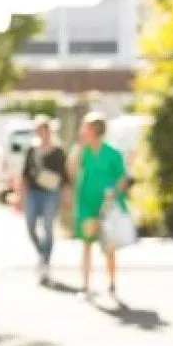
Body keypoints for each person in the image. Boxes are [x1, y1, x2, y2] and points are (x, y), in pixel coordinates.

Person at [68, 111, 127, 299]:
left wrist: (114, 193)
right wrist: (78, 147)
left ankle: (111, 283)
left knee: (109, 247)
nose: (82, 130)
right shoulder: (82, 151)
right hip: (87, 204)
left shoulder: (112, 153)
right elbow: (70, 170)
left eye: (85, 127)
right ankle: (85, 286)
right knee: (86, 244)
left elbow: (123, 178)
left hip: (107, 206)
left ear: (94, 130)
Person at [20, 114, 68, 284]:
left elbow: (64, 176)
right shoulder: (32, 151)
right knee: (30, 226)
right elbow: (24, 174)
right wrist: (21, 196)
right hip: (33, 192)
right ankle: (41, 253)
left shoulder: (58, 151)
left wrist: (66, 197)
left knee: (48, 226)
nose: (41, 133)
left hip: (51, 193)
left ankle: (45, 261)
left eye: (44, 129)